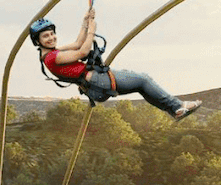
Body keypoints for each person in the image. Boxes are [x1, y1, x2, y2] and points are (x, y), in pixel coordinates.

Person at [30, 8, 201, 120]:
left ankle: (175, 110)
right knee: (143, 80)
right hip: (98, 81)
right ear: (38, 41)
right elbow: (82, 51)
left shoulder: (51, 53)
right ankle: (176, 106)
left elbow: (76, 43)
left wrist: (85, 22)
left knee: (142, 83)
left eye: (52, 34)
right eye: (46, 36)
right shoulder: (53, 58)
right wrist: (92, 30)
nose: (51, 38)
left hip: (96, 81)